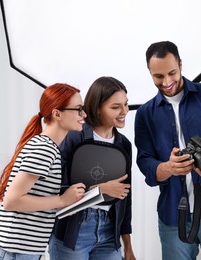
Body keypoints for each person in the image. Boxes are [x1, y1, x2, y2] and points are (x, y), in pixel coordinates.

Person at [134, 41, 201, 260]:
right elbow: (145, 163)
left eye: (172, 73)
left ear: (181, 64)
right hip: (173, 217)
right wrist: (169, 167)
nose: (166, 82)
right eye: (158, 76)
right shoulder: (145, 113)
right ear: (149, 72)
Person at [0, 83, 88, 260]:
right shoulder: (44, 148)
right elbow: (12, 201)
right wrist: (62, 199)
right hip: (14, 251)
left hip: (22, 250)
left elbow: (33, 200)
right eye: (79, 109)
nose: (84, 115)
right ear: (57, 114)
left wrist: (64, 203)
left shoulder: (47, 147)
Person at [48, 76, 136, 260]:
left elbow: (126, 198)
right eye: (115, 107)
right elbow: (57, 188)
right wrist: (98, 190)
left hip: (109, 232)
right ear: (97, 108)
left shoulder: (124, 144)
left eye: (126, 104)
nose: (124, 111)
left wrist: (127, 245)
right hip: (73, 231)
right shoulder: (73, 137)